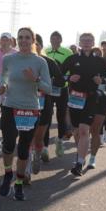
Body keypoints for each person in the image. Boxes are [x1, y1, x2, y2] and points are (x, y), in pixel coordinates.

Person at [0, 27, 52, 200]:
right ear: (17, 40)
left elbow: (48, 88)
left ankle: (19, 183)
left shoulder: (40, 62)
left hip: (30, 109)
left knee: (23, 149)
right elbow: (3, 77)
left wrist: (35, 79)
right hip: (10, 107)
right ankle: (8, 174)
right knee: (8, 145)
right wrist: (2, 85)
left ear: (33, 40)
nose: (23, 40)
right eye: (20, 37)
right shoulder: (8, 59)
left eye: (27, 37)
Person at [62, 33, 106, 176]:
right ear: (80, 42)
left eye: (89, 40)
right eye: (84, 40)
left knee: (84, 130)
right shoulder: (72, 59)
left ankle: (79, 163)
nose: (87, 42)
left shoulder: (99, 61)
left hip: (91, 98)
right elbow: (59, 75)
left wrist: (101, 81)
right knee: (77, 131)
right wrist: (69, 78)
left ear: (93, 42)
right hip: (75, 98)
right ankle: (81, 156)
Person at [30, 34, 65, 171]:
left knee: (39, 136)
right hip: (24, 102)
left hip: (44, 102)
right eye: (33, 44)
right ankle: (27, 165)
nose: (34, 46)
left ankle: (38, 154)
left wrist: (48, 82)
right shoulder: (21, 60)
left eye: (37, 44)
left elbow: (61, 81)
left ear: (41, 46)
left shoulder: (49, 62)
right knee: (27, 136)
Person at [43, 30, 74, 155]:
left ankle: (60, 140)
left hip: (62, 88)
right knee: (46, 116)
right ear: (50, 40)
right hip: (48, 89)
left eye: (57, 38)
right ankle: (45, 147)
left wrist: (65, 79)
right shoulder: (45, 51)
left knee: (61, 116)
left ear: (61, 40)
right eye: (53, 38)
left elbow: (71, 69)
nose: (55, 40)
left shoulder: (68, 52)